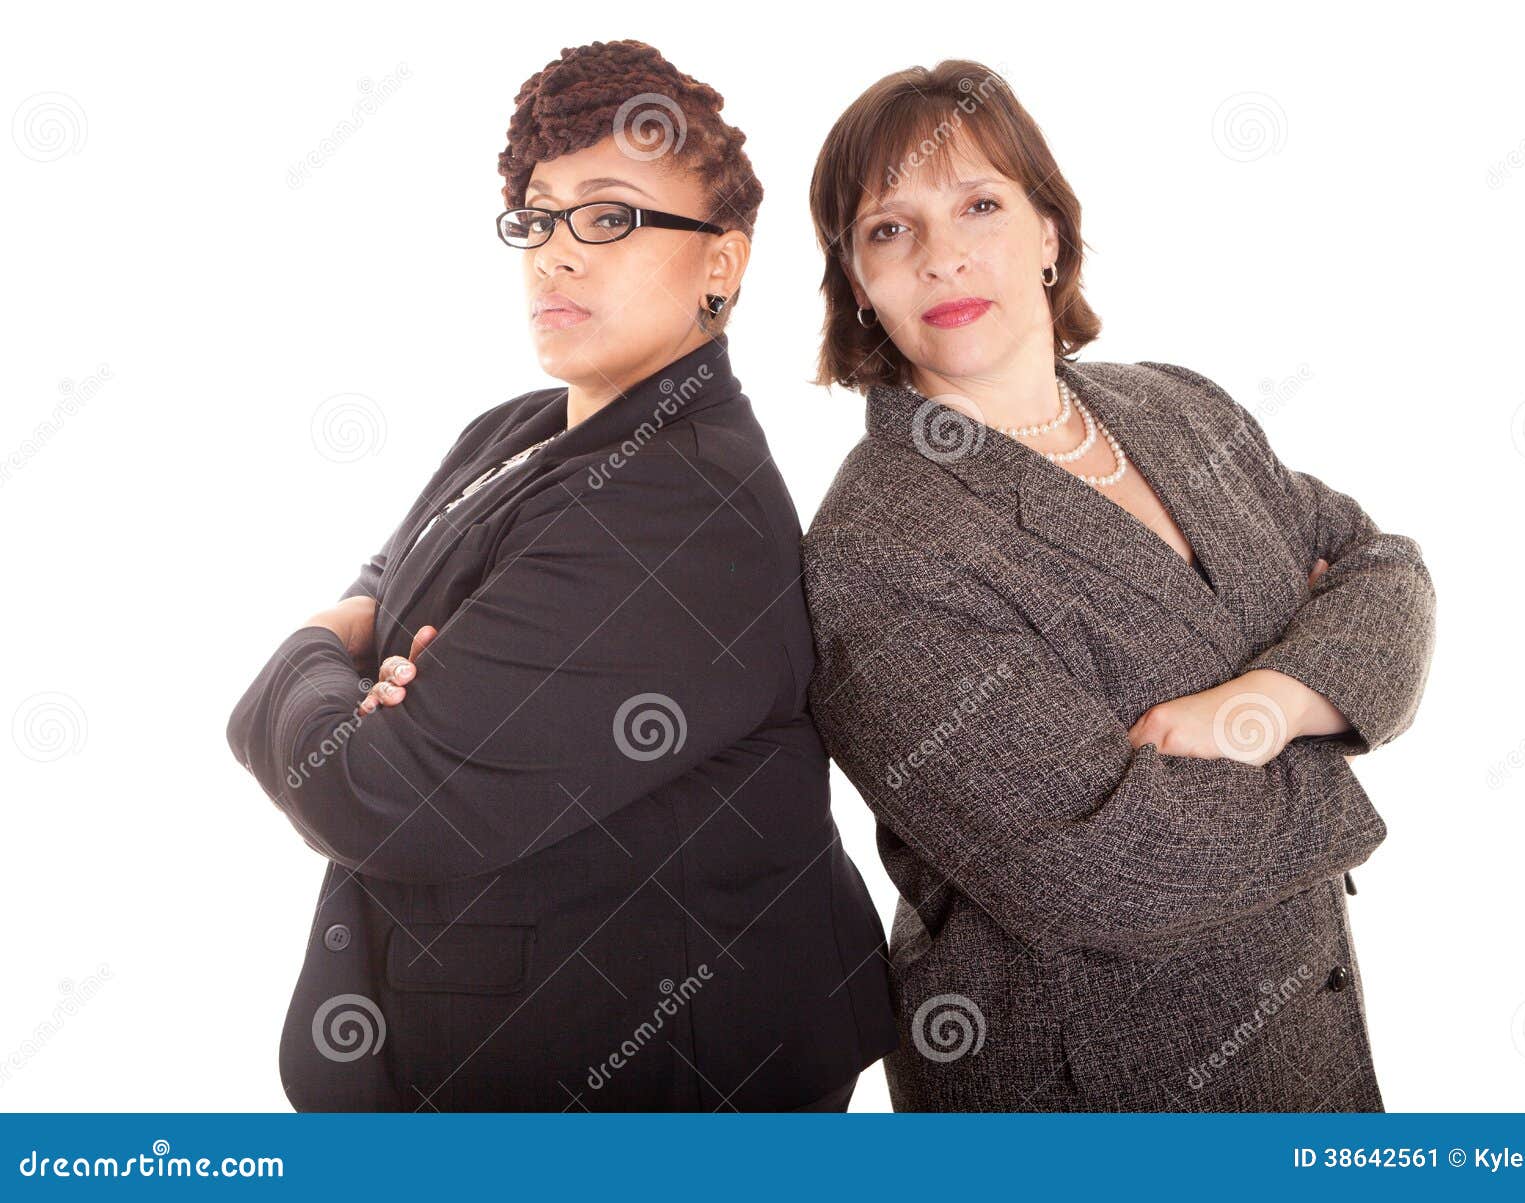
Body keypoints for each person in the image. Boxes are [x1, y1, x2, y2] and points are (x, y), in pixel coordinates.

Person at [226, 39, 896, 1112]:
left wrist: (314, 643)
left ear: (721, 264)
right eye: (537, 217)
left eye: (611, 216)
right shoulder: (519, 426)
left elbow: (372, 791)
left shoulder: (682, 506)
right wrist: (376, 637)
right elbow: (390, 572)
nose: (556, 254)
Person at [800, 59, 1436, 1111]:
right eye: (888, 229)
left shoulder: (1176, 407)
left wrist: (1265, 709)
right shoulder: (881, 544)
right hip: (1092, 1087)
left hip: (1304, 1041)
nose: (943, 256)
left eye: (979, 204)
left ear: (1048, 232)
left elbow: (1382, 564)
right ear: (857, 284)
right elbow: (1099, 867)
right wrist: (1339, 709)